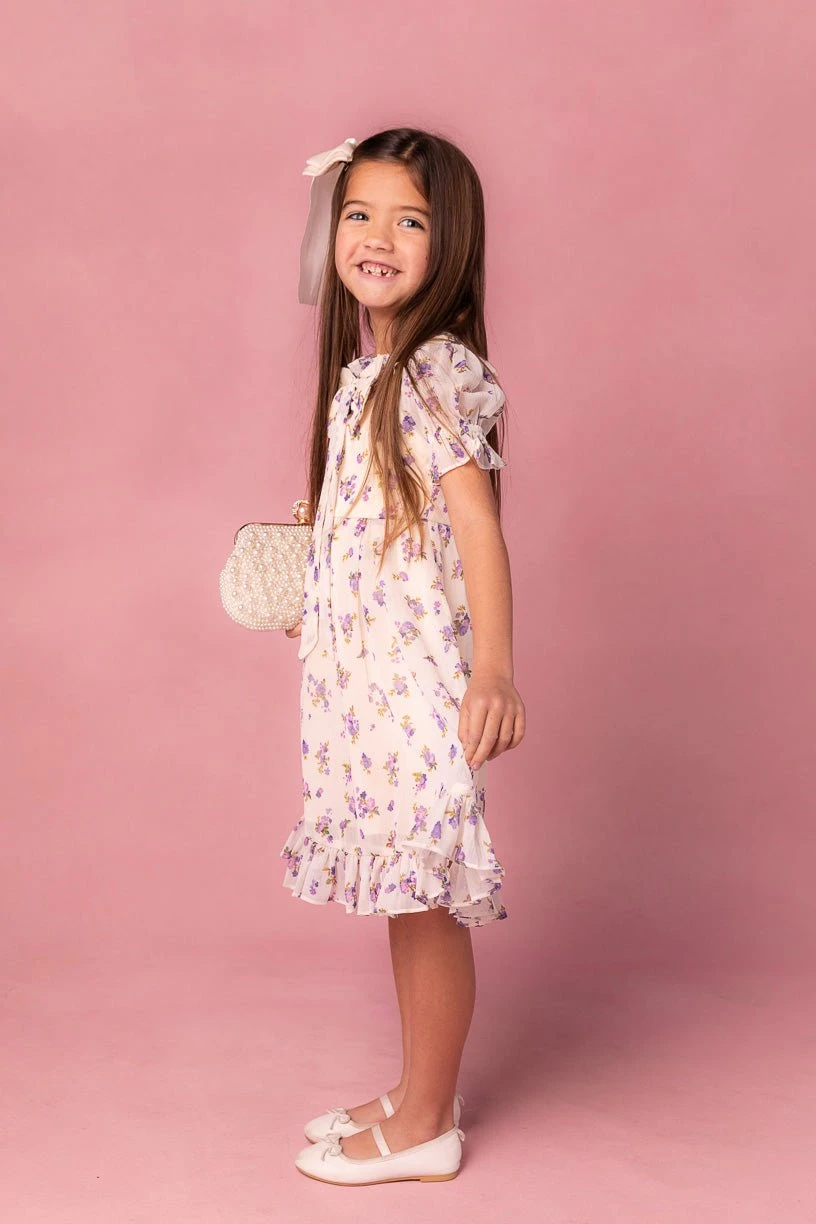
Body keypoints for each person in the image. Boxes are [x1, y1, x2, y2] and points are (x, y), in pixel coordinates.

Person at [279, 127, 526, 1185]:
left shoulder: (432, 372)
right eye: (360, 214)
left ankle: (427, 1122)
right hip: (365, 689)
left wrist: (495, 669)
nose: (378, 237)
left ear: (450, 243)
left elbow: (477, 528)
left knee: (423, 900)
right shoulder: (370, 375)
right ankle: (421, 1085)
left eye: (410, 220)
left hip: (416, 687)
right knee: (401, 893)